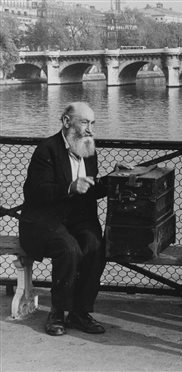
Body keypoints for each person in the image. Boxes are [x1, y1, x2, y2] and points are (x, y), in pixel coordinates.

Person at [19, 102, 128, 336]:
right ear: (67, 122)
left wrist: (114, 178)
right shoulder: (46, 149)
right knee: (68, 249)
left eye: (93, 124)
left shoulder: (88, 149)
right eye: (85, 122)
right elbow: (35, 192)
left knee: (95, 246)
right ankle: (58, 312)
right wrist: (69, 187)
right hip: (43, 221)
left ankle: (80, 313)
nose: (91, 130)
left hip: (75, 220)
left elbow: (89, 189)